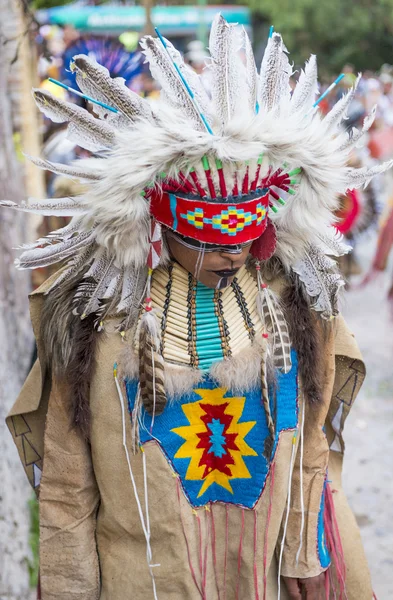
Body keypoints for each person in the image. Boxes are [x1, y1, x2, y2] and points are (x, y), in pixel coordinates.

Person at [4, 14, 390, 600]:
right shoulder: (97, 322)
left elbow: (312, 447)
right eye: (208, 238)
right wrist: (68, 586)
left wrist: (305, 559)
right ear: (160, 223)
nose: (231, 254)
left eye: (244, 236)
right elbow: (67, 482)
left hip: (262, 575)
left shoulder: (298, 308)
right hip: (147, 580)